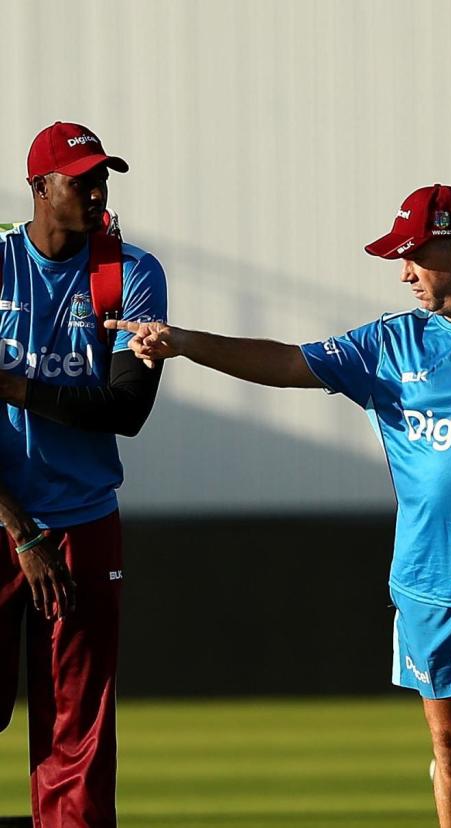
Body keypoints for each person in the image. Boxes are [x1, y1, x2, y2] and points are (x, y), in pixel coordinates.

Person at [108, 183, 451, 828]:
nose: (403, 272)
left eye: (414, 255)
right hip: (426, 581)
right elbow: (286, 361)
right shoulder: (389, 343)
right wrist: (185, 341)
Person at [0, 122, 168, 826]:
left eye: (104, 178)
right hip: (6, 520)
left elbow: (124, 408)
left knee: (79, 738)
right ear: (39, 187)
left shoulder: (128, 271)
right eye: (81, 179)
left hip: (85, 523)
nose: (98, 191)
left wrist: (13, 388)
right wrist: (22, 534)